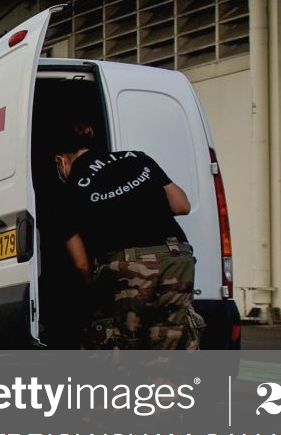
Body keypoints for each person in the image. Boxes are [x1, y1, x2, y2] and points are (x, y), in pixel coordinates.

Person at [48, 123, 198, 350]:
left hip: (128, 266)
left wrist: (96, 289)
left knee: (124, 343)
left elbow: (81, 265)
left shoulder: (68, 191)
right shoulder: (138, 158)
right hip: (176, 257)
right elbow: (181, 205)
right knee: (172, 337)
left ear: (61, 161)